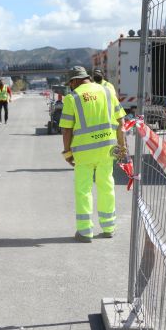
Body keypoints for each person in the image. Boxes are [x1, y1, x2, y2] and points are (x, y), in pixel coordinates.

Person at [59, 66, 127, 242]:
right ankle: (109, 227)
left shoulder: (72, 98)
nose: (70, 87)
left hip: (83, 153)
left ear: (74, 81)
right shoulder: (107, 91)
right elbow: (121, 122)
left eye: (70, 84)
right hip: (107, 149)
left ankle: (85, 231)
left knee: (83, 190)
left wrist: (67, 153)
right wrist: (122, 147)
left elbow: (66, 130)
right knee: (107, 186)